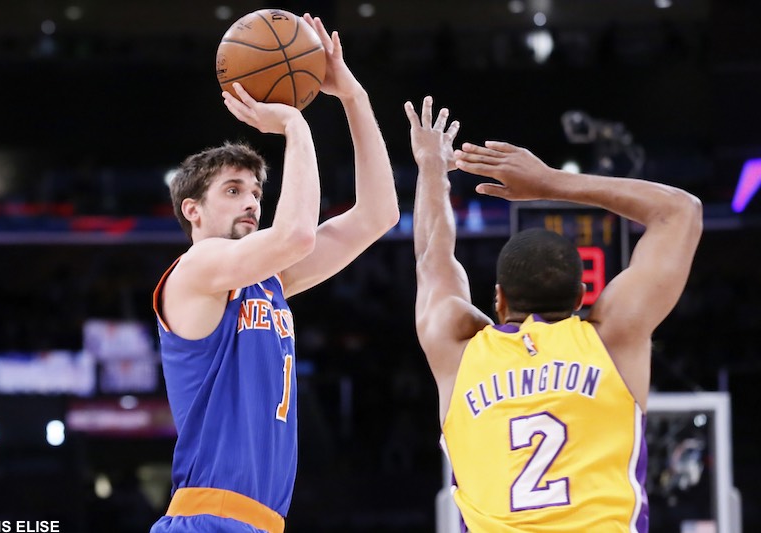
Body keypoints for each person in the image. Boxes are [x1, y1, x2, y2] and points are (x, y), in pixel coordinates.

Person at [405, 96, 702, 532]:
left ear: (499, 299)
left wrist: (431, 167)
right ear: (582, 296)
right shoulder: (612, 340)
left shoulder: (459, 352)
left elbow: (432, 257)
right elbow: (680, 211)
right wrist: (549, 182)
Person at [149, 14, 399, 533]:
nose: (251, 203)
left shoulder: (270, 282)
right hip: (207, 519)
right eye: (233, 190)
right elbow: (296, 235)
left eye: (257, 193)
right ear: (192, 210)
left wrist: (352, 96)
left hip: (262, 521)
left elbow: (379, 215)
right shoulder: (196, 270)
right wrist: (294, 124)